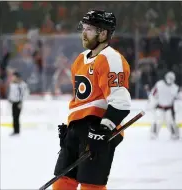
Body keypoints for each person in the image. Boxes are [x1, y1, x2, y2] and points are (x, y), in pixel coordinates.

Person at [53, 10, 131, 190]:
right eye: (84, 28)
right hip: (78, 129)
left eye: (89, 29)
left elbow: (120, 101)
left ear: (103, 33)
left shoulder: (111, 59)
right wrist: (73, 127)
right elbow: (81, 100)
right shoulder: (80, 60)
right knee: (62, 182)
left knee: (91, 185)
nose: (84, 32)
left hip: (98, 128)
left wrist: (103, 129)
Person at [149, 71, 179, 139]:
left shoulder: (175, 87)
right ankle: (153, 133)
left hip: (169, 108)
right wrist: (152, 103)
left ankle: (174, 134)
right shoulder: (159, 84)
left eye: (172, 79)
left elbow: (176, 98)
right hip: (159, 107)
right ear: (166, 78)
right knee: (158, 121)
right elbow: (153, 94)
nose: (170, 80)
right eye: (169, 78)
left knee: (170, 121)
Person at [8, 71, 29, 136]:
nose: (12, 78)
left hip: (18, 103)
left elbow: (24, 94)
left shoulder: (22, 84)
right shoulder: (12, 84)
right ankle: (15, 130)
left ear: (17, 77)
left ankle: (17, 131)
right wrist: (10, 99)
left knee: (16, 117)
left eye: (14, 76)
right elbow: (11, 93)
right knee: (14, 116)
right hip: (13, 102)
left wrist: (21, 102)